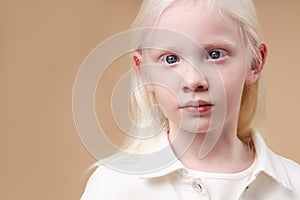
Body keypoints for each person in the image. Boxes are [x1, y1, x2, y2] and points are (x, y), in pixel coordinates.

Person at [81, 0, 300, 199]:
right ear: (144, 72)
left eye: (215, 54)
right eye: (170, 59)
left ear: (255, 62)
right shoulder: (112, 187)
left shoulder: (293, 186)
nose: (194, 80)